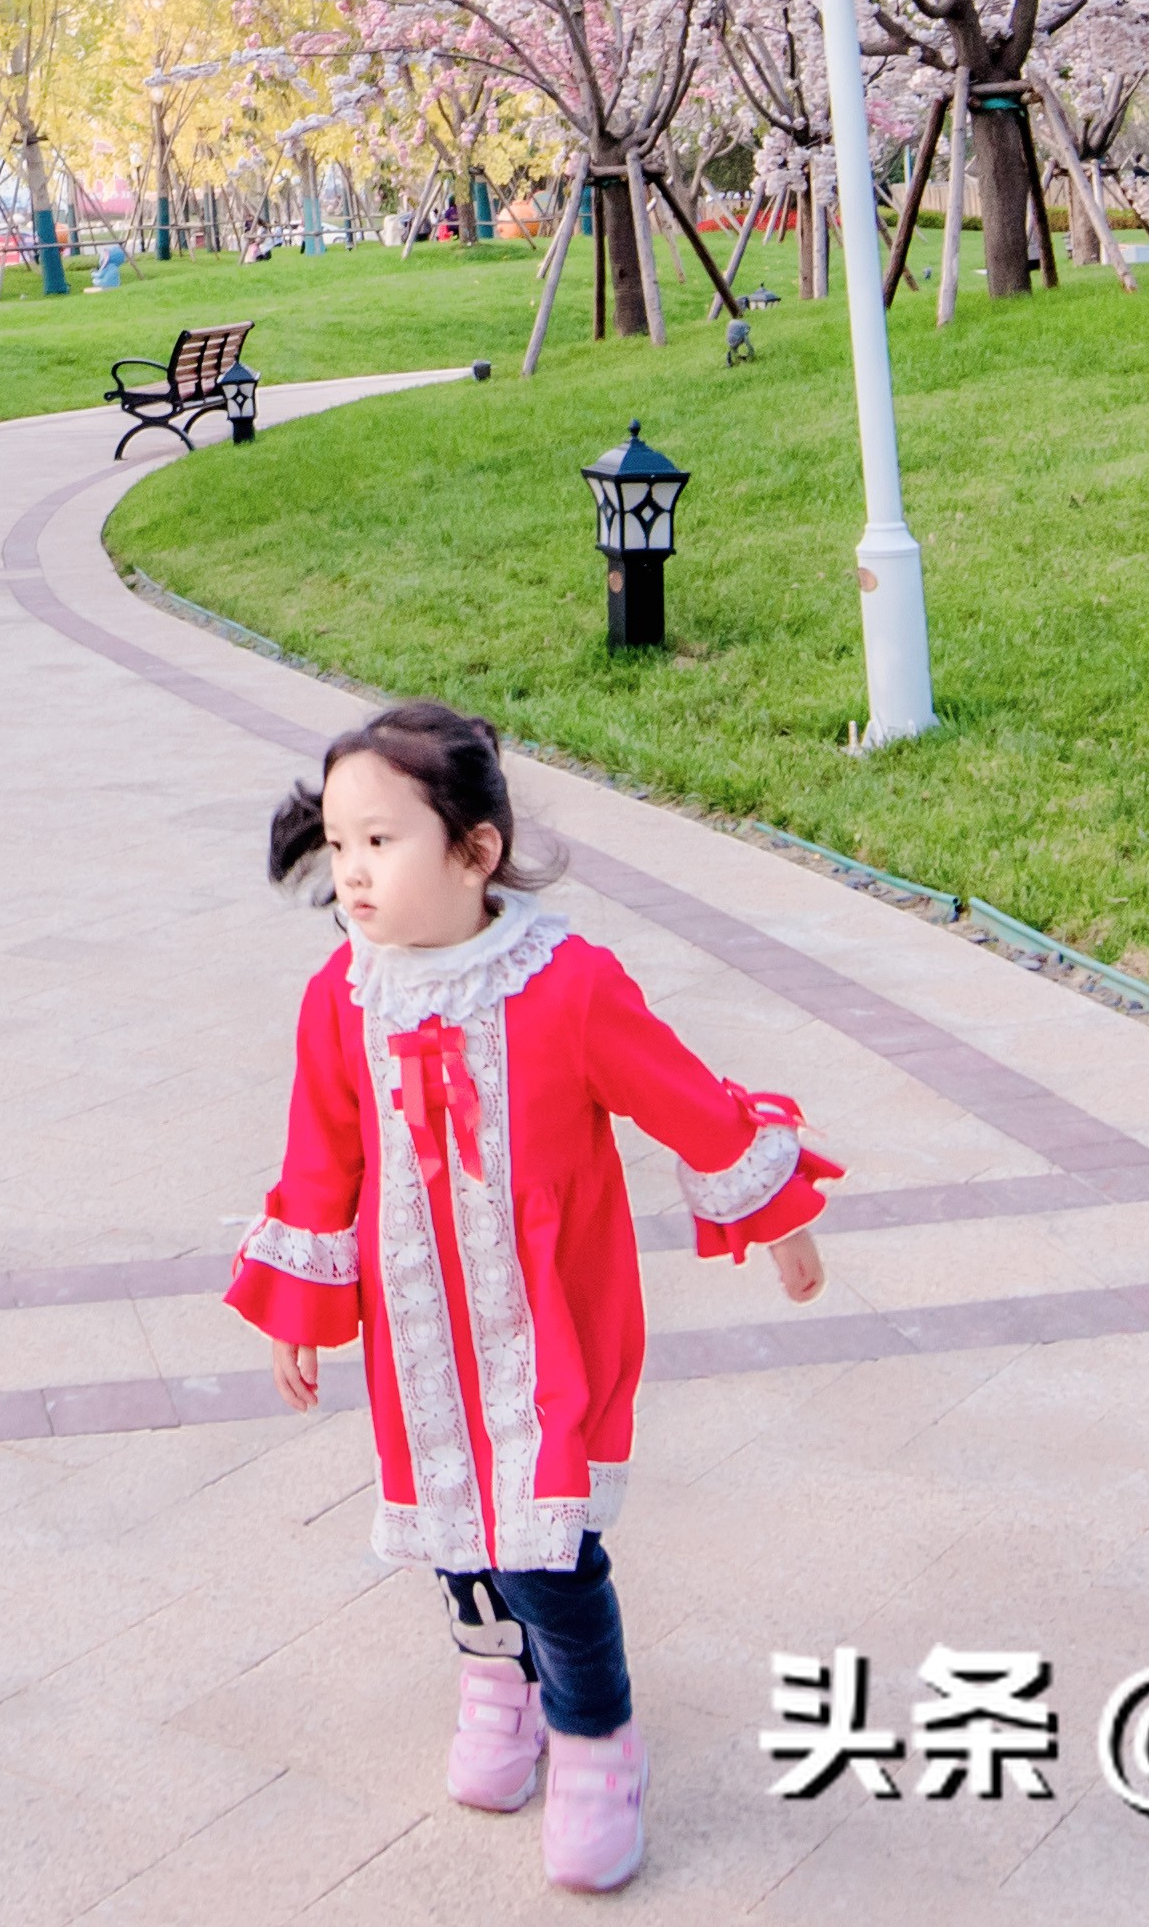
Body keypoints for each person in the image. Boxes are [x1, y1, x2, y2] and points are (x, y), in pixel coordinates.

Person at [226, 701, 835, 1893]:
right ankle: (494, 1680)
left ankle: (597, 1740)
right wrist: (302, 1306)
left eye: (382, 841)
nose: (350, 870)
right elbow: (319, 1157)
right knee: (459, 1533)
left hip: (549, 1321)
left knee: (548, 1546)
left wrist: (779, 1217)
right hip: (423, 1337)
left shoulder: (565, 984)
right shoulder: (341, 997)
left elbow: (683, 1095)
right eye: (339, 842)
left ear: (474, 850)